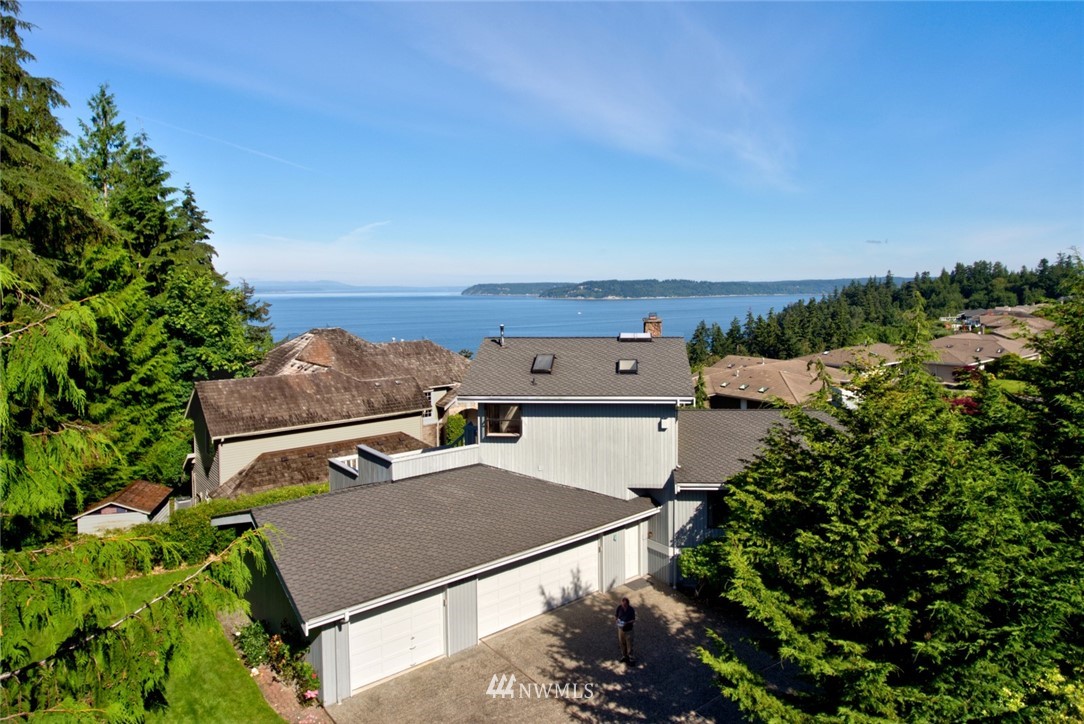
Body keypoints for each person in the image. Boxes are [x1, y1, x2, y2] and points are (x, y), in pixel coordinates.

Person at [615, 597, 636, 664]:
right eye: (622, 604)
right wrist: (617, 621)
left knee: (629, 644)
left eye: (624, 605)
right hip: (620, 629)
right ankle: (624, 655)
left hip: (628, 630)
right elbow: (616, 616)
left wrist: (626, 623)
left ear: (627, 604)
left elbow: (633, 620)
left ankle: (631, 657)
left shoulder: (631, 610)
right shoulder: (619, 608)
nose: (623, 606)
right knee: (622, 642)